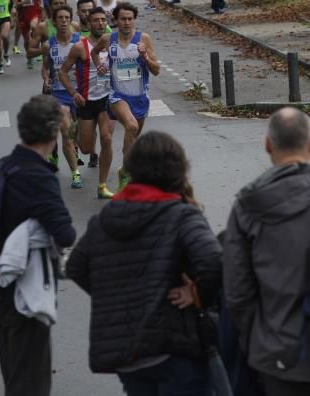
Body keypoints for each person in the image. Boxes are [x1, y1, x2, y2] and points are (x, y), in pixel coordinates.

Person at [66, 130, 222, 395]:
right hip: (175, 346)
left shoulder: (106, 218)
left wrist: (113, 294)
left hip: (130, 354)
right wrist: (194, 292)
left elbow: (76, 266)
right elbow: (215, 262)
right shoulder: (180, 214)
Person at [0, 95, 76, 396]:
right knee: (30, 385)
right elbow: (65, 234)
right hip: (23, 293)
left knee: (15, 375)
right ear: (53, 131)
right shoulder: (38, 176)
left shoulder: (3, 165)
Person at [223, 107, 310, 396]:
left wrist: (258, 339)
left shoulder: (249, 205)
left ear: (268, 144)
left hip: (277, 353)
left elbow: (237, 291)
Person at [91, 2, 160, 180]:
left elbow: (156, 70)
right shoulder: (108, 39)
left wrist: (145, 57)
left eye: (130, 19)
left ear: (135, 20)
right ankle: (128, 175)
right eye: (123, 19)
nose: (127, 22)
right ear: (116, 20)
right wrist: (99, 66)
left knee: (132, 139)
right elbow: (95, 52)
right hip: (117, 96)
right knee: (131, 126)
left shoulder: (143, 39)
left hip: (140, 97)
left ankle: (125, 169)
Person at [59, 7, 115, 199]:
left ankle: (102, 185)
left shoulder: (112, 43)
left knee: (106, 138)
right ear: (88, 24)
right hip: (87, 101)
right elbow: (62, 72)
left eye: (103, 20)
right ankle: (77, 130)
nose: (100, 23)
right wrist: (73, 93)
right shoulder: (80, 47)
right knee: (86, 148)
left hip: (108, 99)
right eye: (96, 20)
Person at [42, 5, 82, 189]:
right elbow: (45, 67)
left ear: (71, 21)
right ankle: (75, 174)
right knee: (66, 132)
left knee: (81, 136)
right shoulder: (49, 44)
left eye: (67, 18)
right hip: (59, 94)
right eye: (60, 18)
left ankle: (73, 148)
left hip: (81, 93)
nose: (64, 21)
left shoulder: (80, 42)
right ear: (54, 22)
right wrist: (46, 79)